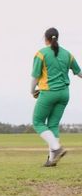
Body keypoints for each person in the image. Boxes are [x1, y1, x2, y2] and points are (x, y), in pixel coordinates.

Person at [31, 28, 82, 167]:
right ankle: (52, 160)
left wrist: (32, 91)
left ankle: (57, 148)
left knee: (37, 122)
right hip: (64, 94)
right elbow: (79, 72)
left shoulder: (41, 54)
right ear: (57, 38)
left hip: (48, 93)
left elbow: (35, 76)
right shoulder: (68, 54)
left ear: (45, 38)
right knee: (52, 124)